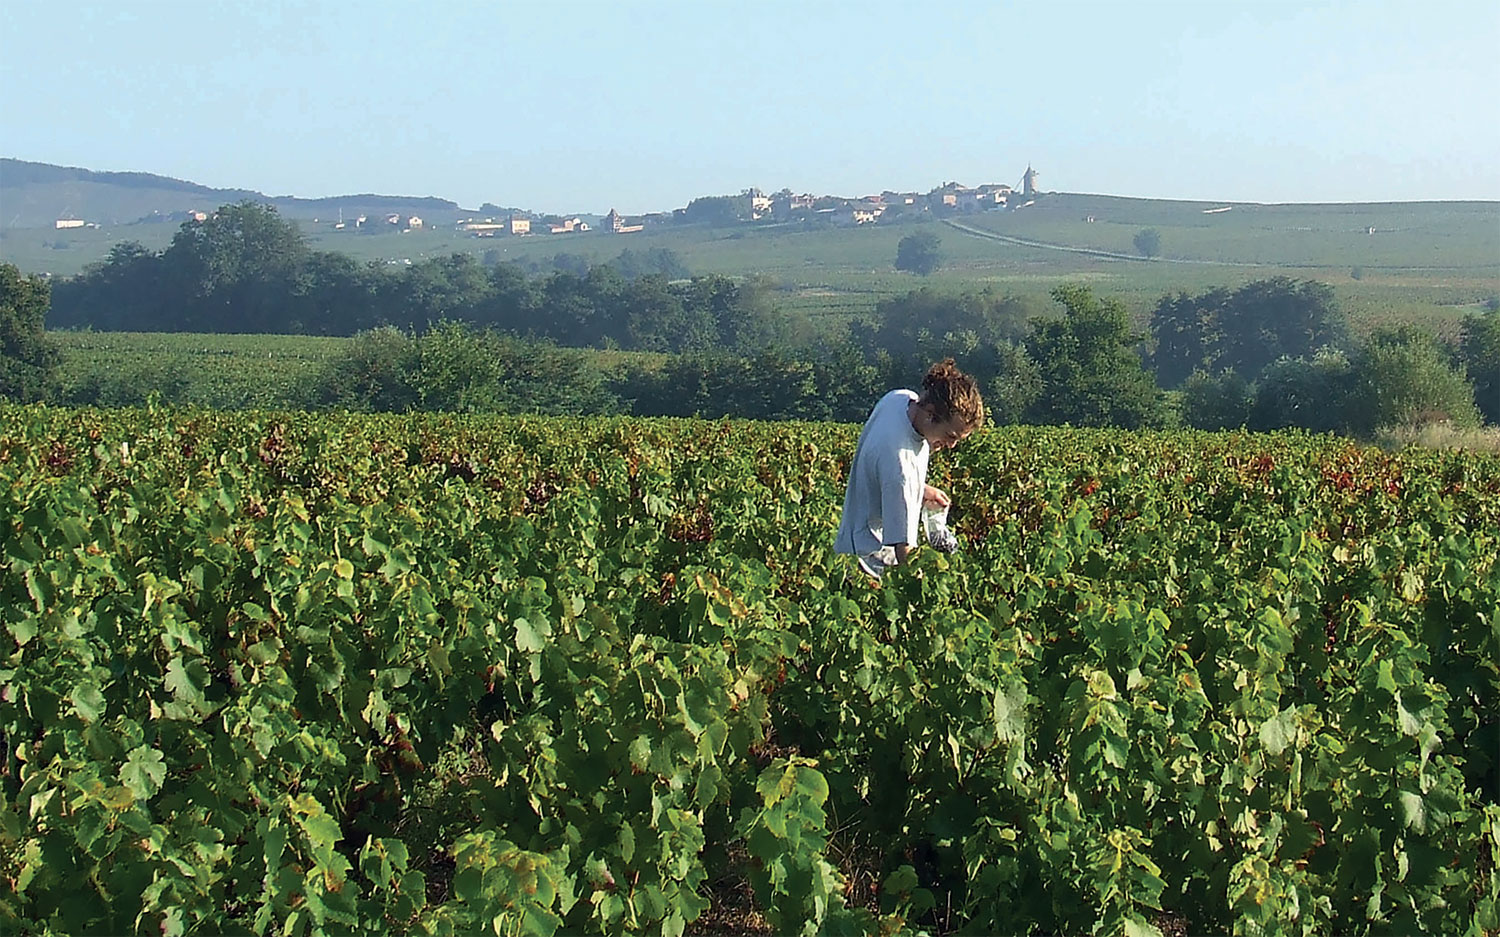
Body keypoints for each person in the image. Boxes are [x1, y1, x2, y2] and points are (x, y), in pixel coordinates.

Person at [834, 358, 984, 580]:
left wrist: (920, 490)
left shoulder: (899, 400)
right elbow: (903, 550)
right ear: (931, 413)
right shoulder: (901, 464)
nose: (952, 445)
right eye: (950, 436)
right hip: (867, 567)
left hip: (849, 546)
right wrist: (928, 588)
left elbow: (881, 473)